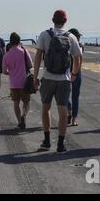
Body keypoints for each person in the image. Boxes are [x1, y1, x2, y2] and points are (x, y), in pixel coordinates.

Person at [33, 10, 82, 153]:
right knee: (62, 111)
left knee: (45, 109)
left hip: (48, 78)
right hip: (64, 80)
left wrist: (35, 76)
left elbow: (37, 57)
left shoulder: (44, 35)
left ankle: (47, 141)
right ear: (65, 21)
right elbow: (77, 57)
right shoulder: (71, 37)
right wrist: (73, 74)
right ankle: (60, 144)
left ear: (52, 20)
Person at [3, 33, 33, 129]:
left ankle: (20, 122)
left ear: (10, 42)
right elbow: (30, 64)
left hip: (14, 83)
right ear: (19, 41)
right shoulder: (24, 51)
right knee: (26, 102)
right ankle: (24, 115)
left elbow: (4, 71)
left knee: (16, 103)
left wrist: (11, 73)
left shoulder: (6, 55)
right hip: (24, 82)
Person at [67, 28, 84, 126]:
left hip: (65, 72)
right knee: (75, 96)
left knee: (65, 95)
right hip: (76, 73)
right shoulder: (79, 46)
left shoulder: (65, 45)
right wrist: (76, 72)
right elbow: (79, 60)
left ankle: (69, 110)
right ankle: (74, 119)